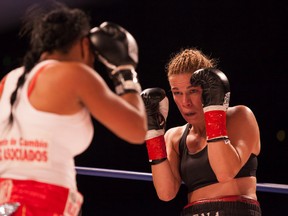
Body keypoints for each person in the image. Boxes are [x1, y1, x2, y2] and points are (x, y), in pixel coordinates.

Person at [0, 2, 147, 216]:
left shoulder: (8, 81)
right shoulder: (74, 73)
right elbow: (136, 129)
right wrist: (125, 72)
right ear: (84, 45)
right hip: (43, 203)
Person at [141, 48, 262, 215]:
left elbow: (224, 173)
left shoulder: (239, 117)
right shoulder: (174, 137)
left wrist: (213, 111)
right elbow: (166, 193)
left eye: (192, 91)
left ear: (207, 89)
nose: (185, 102)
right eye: (177, 93)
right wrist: (153, 134)